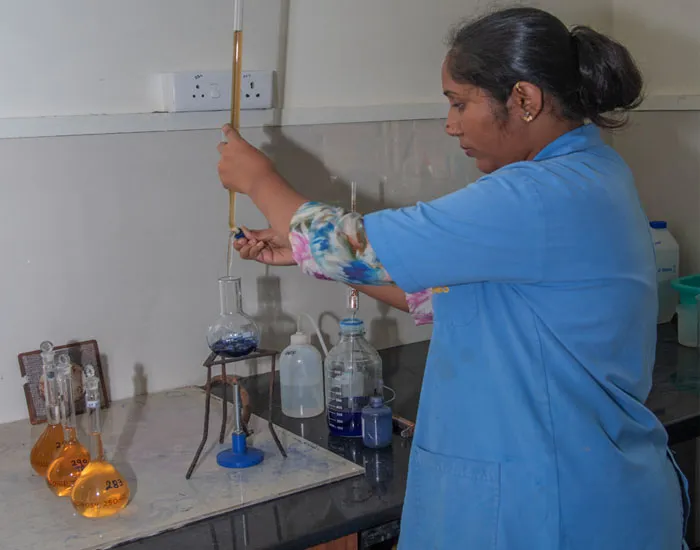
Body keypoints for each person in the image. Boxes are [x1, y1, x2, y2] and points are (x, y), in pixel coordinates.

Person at [216, 7, 689, 549]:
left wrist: (260, 179)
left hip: (550, 506)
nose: (450, 124)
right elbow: (447, 295)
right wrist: (308, 253)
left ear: (525, 99)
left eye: (459, 102)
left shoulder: (538, 194)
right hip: (586, 484)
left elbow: (354, 245)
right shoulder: (591, 173)